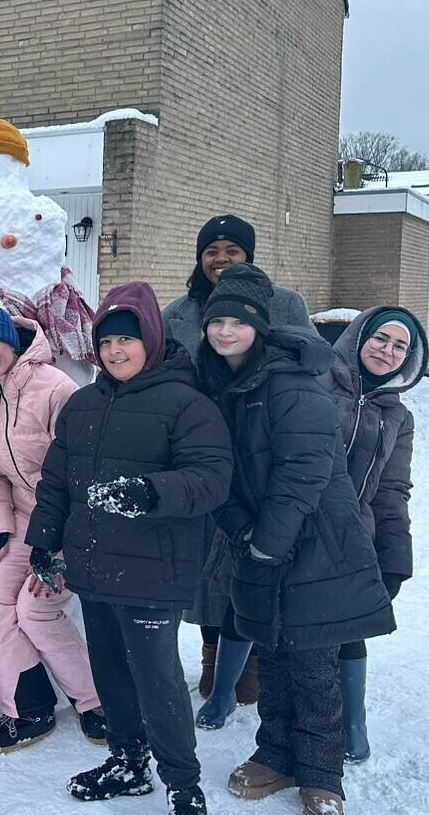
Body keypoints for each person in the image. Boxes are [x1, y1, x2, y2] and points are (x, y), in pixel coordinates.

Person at [25, 283, 232, 815]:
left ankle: (185, 791)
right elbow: (57, 482)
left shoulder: (188, 404)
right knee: (111, 671)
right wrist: (43, 540)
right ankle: (127, 762)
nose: (116, 351)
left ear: (152, 340)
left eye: (128, 340)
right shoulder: (84, 405)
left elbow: (212, 479)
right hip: (95, 567)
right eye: (108, 341)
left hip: (154, 572)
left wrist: (151, 491)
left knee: (158, 680)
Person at [196, 263, 395, 815]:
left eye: (238, 321)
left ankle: (322, 776)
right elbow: (224, 472)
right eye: (218, 320)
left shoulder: (289, 381)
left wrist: (265, 546)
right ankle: (276, 755)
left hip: (315, 544)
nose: (225, 331)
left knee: (312, 664)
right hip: (263, 541)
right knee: (275, 652)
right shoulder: (225, 384)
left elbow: (305, 473)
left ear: (260, 327)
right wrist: (242, 532)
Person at [162, 214, 319, 712]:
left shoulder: (284, 304)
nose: (221, 259)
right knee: (207, 566)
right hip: (201, 455)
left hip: (260, 453)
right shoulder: (179, 313)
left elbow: (312, 363)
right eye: (212, 250)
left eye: (232, 250)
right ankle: (213, 655)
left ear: (248, 256)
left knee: (254, 556)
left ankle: (250, 658)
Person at [0, 304, 104, 752]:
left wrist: (63, 543)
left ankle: (96, 700)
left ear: (11, 341)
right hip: (22, 519)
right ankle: (29, 705)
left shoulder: (54, 387)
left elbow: (84, 470)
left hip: (68, 521)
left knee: (35, 607)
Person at [318, 307, 425, 763]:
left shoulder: (398, 416)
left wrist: (395, 555)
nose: (387, 351)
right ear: (358, 336)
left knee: (349, 627)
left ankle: (353, 721)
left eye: (400, 346)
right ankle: (227, 692)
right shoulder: (317, 385)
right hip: (297, 523)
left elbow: (392, 489)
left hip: (353, 535)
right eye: (380, 338)